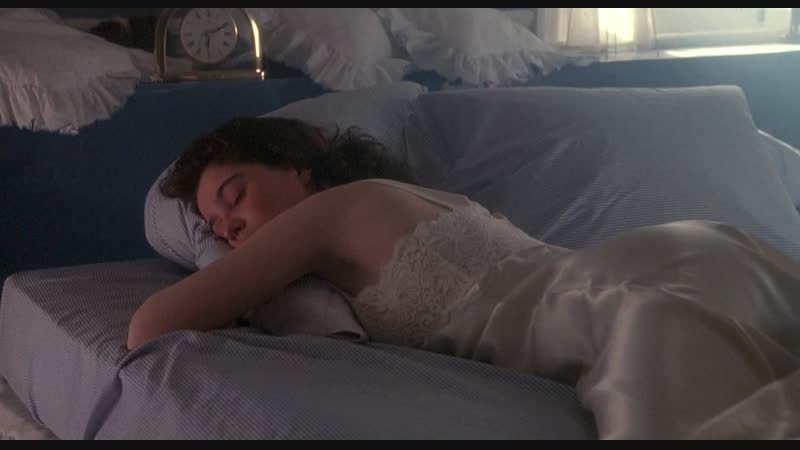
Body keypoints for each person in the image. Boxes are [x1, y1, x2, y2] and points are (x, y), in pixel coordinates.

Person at [128, 116, 800, 439]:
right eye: (214, 228)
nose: (228, 231)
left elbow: (150, 326)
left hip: (623, 302)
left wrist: (221, 269)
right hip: (668, 262)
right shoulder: (404, 199)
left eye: (236, 197)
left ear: (297, 166)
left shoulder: (326, 215)